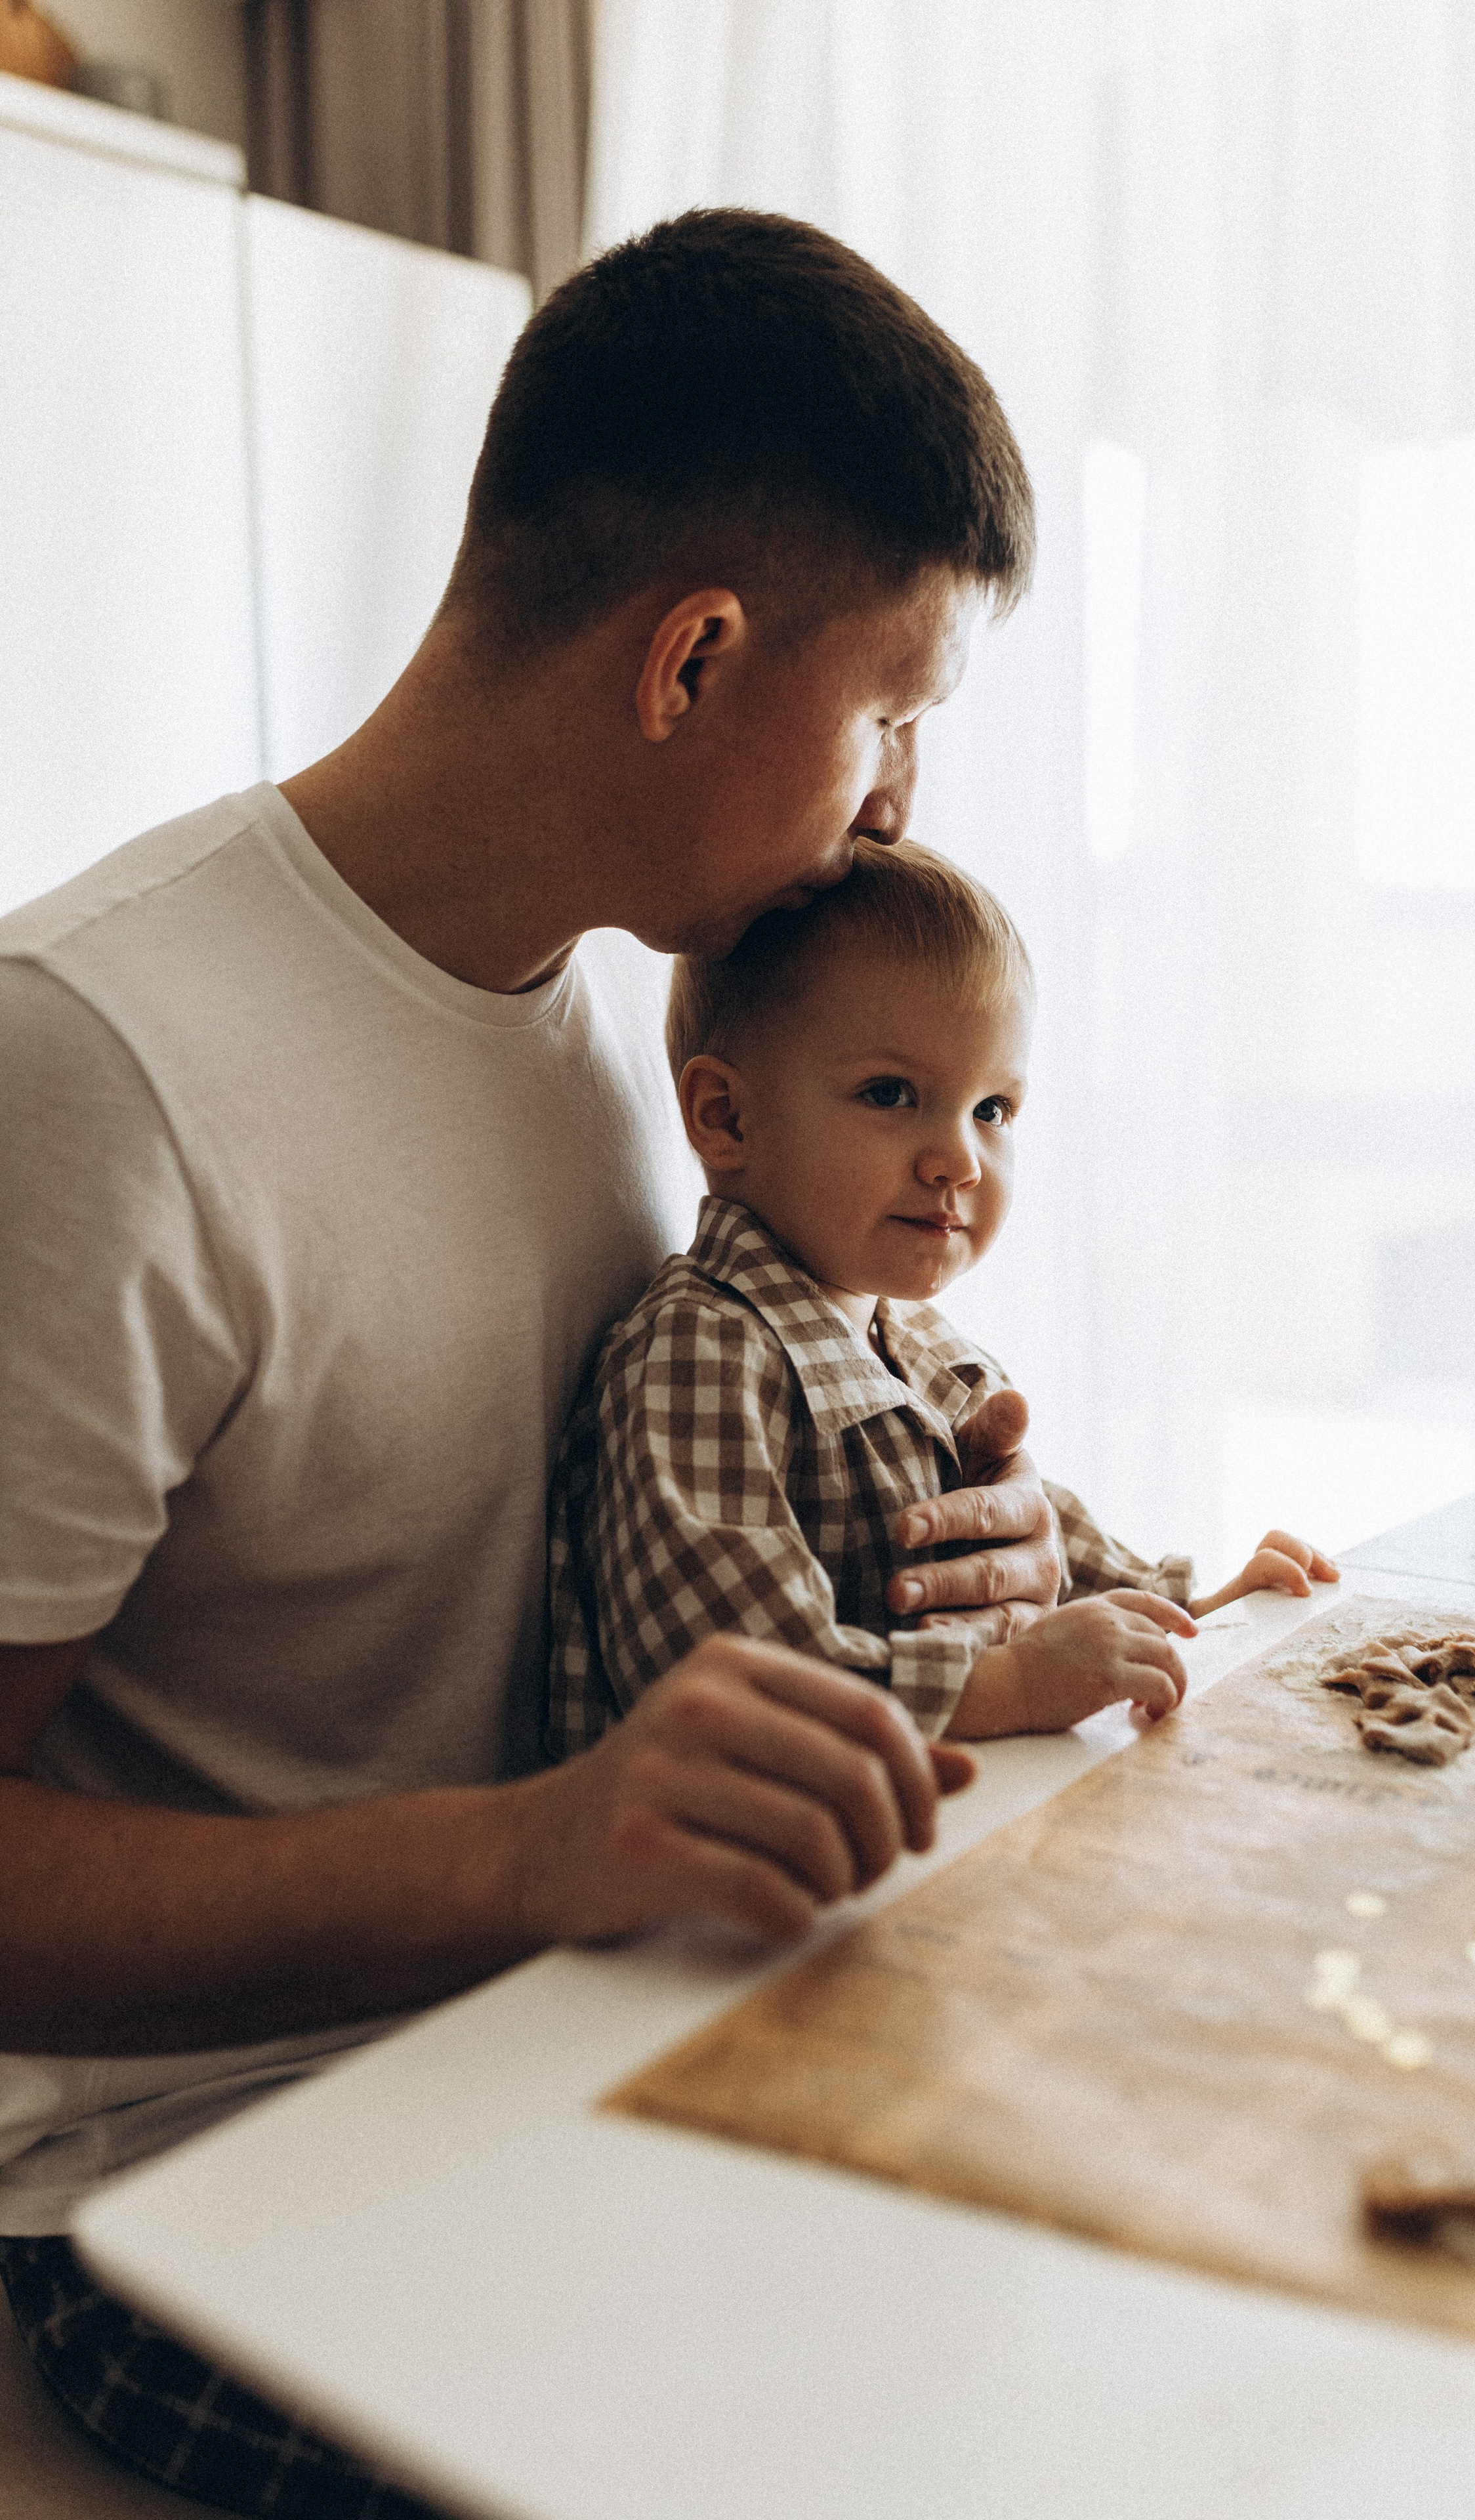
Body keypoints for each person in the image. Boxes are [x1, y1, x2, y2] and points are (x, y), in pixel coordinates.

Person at [0, 210, 1066, 2516]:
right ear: (693, 659)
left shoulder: (618, 1019)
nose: (901, 802)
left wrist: (915, 1499)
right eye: (893, 712)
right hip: (197, 2205)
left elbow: (630, 1516)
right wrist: (533, 1855)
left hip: (582, 2049)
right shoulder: (97, 1069)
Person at [551, 840, 1337, 1777]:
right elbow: (724, 1680)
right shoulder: (702, 1351)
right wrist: (1001, 1688)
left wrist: (1190, 1610)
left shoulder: (923, 1348)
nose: (960, 1160)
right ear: (726, 1117)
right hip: (715, 1900)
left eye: (993, 1109)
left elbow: (1043, 1543)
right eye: (893, 1094)